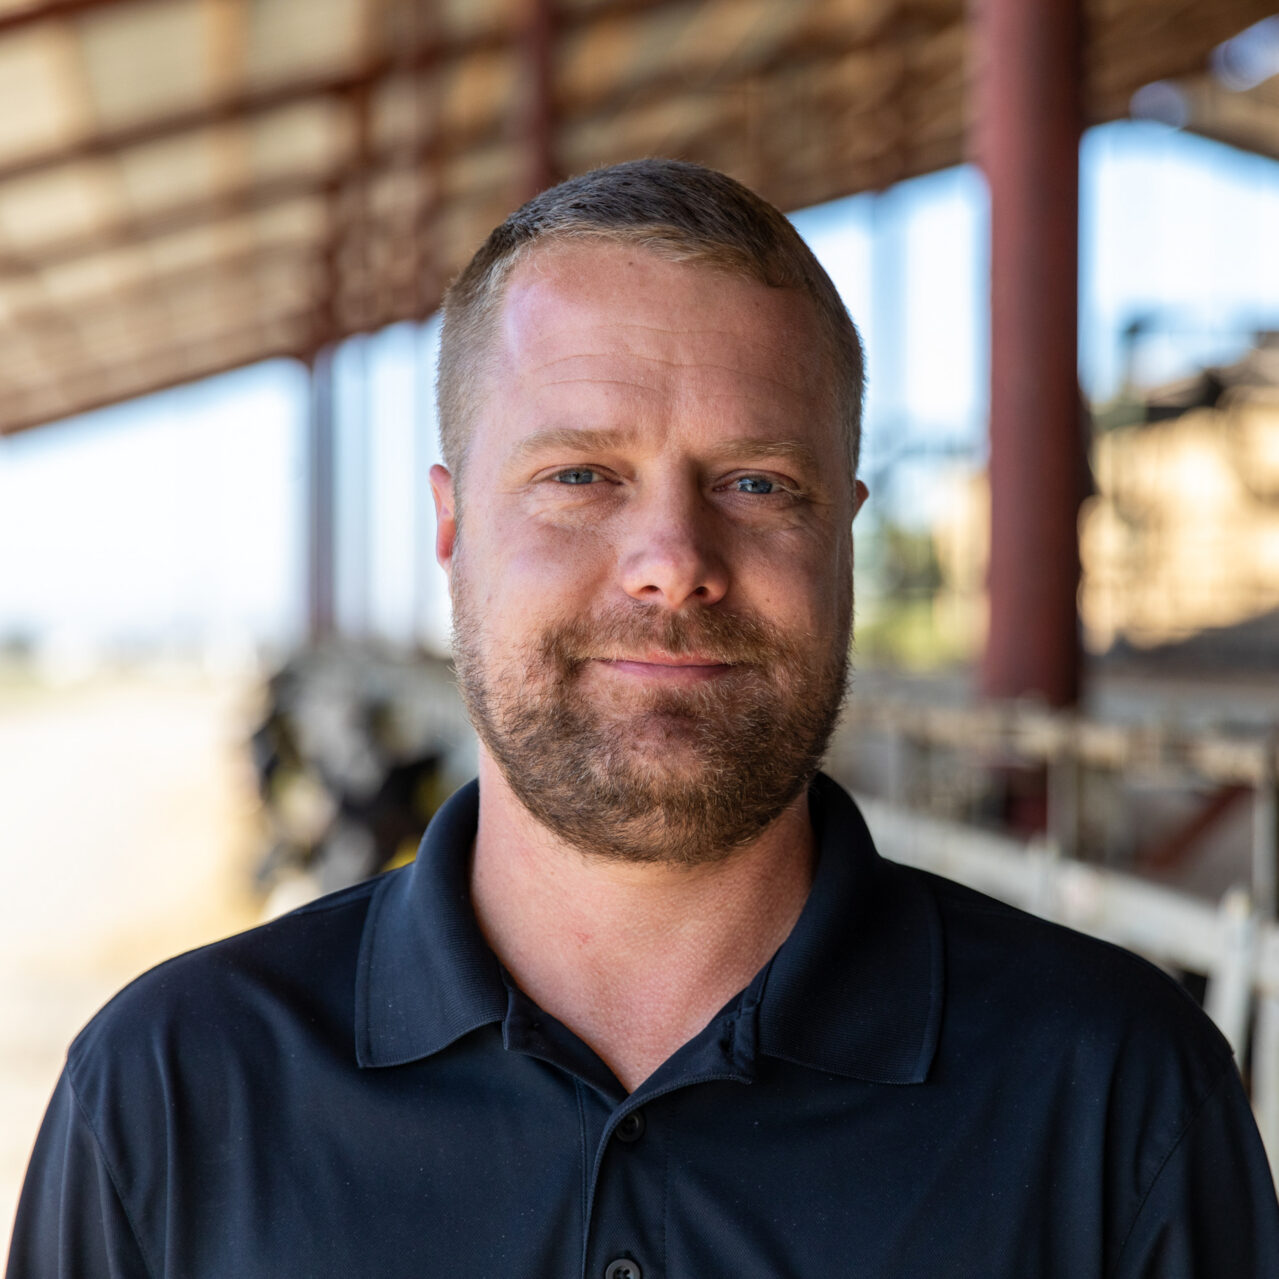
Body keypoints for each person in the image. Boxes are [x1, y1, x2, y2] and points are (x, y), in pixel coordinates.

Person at [8, 160, 1278, 1279]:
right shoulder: (172, 1094)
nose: (671, 560)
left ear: (844, 524)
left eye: (755, 482)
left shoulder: (1115, 1094)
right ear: (449, 526)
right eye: (579, 476)